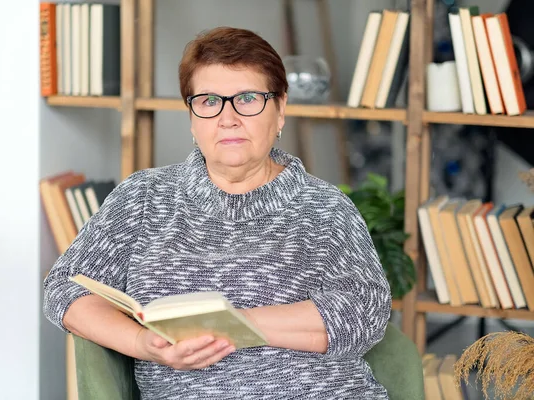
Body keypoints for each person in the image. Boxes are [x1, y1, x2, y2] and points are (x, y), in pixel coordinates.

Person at [43, 26, 392, 399]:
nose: (228, 118)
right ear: (192, 117)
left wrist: (229, 323)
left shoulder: (325, 208)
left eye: (247, 98)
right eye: (209, 101)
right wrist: (144, 343)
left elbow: (365, 312)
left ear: (280, 110)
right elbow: (65, 289)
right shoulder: (143, 197)